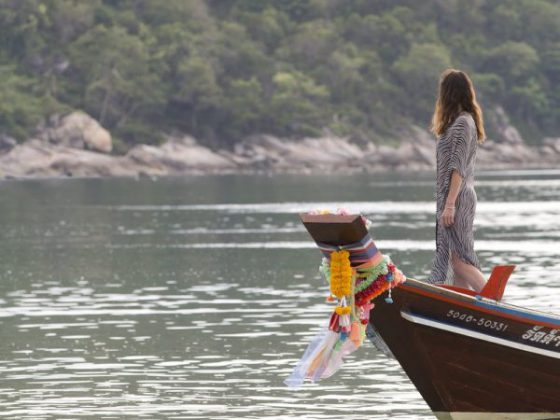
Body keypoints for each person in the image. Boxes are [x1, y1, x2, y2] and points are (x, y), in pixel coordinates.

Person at [428, 69, 486, 292]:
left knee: (460, 259)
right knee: (455, 260)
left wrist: (450, 204)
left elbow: (458, 167)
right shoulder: (460, 122)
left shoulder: (463, 123)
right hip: (457, 195)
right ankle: (464, 303)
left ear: (448, 93)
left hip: (458, 197)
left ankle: (495, 302)